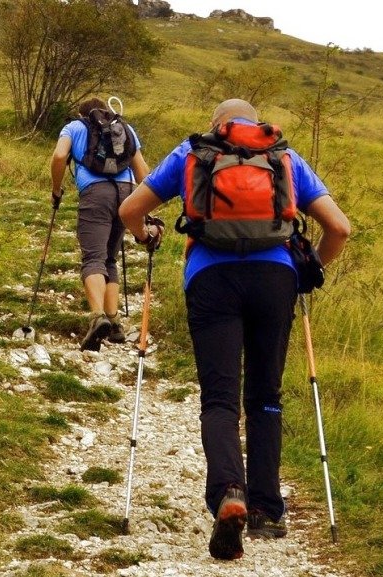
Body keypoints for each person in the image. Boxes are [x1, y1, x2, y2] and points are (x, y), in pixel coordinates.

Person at [119, 99, 351, 560]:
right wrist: (309, 270)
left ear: (217, 125)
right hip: (275, 280)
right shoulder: (285, 157)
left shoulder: (192, 153)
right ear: (255, 123)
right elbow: (340, 228)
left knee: (220, 398)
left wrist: (145, 236)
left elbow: (131, 209)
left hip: (211, 279)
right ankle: (268, 509)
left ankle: (229, 492)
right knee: (266, 395)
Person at [51, 97, 149, 351]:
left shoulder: (74, 127)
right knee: (110, 258)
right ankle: (114, 321)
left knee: (93, 257)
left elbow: (60, 155)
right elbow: (143, 174)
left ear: (80, 113)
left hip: (95, 193)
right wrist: (142, 206)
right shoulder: (125, 129)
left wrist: (56, 189)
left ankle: (97, 318)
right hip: (126, 193)